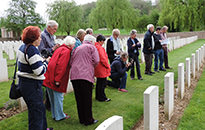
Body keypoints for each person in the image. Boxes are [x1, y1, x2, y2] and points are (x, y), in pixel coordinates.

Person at [17, 26, 52, 130]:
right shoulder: (32, 49)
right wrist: (46, 62)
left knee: (40, 109)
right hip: (31, 85)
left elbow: (30, 63)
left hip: (26, 83)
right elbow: (39, 71)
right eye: (39, 37)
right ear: (33, 38)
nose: (40, 39)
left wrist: (40, 60)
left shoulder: (23, 47)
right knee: (36, 113)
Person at [43, 36, 76, 121]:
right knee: (58, 98)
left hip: (49, 75)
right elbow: (61, 66)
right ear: (70, 44)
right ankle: (60, 116)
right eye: (74, 44)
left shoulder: (60, 49)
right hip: (55, 77)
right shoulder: (66, 51)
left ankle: (55, 115)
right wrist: (58, 80)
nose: (74, 45)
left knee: (52, 98)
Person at [70, 34, 99, 125]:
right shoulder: (91, 47)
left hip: (74, 75)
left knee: (79, 98)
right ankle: (88, 120)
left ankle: (82, 119)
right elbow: (97, 60)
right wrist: (90, 66)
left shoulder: (77, 48)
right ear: (91, 41)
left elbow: (71, 62)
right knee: (87, 99)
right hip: (85, 75)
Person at [94, 35, 111, 102]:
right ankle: (102, 97)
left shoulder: (95, 46)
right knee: (102, 83)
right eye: (103, 41)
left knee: (99, 83)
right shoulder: (99, 48)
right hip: (101, 68)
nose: (103, 43)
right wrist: (107, 66)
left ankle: (98, 96)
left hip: (98, 68)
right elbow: (103, 58)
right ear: (100, 41)